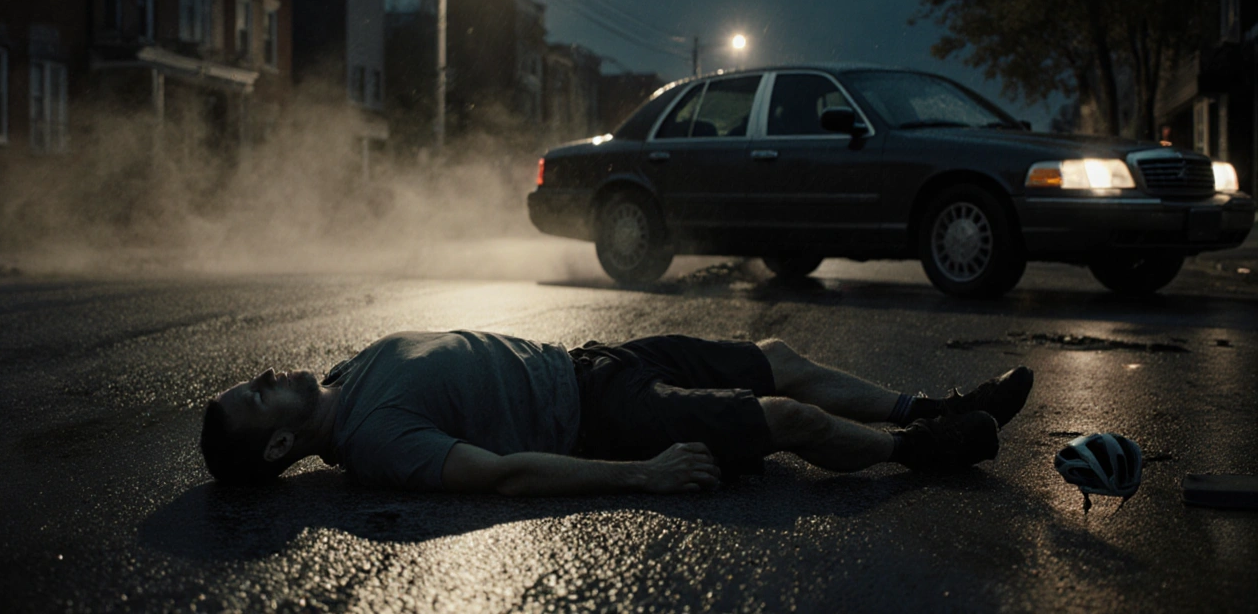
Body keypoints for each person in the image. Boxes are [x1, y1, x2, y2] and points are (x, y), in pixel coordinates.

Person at [200, 331, 1033, 495]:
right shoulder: (376, 440)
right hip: (602, 414)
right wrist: (642, 473)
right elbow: (499, 474)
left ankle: (943, 403)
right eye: (256, 393)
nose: (266, 373)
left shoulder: (349, 373)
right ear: (279, 442)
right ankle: (923, 447)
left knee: (776, 355)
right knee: (785, 420)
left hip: (599, 359)